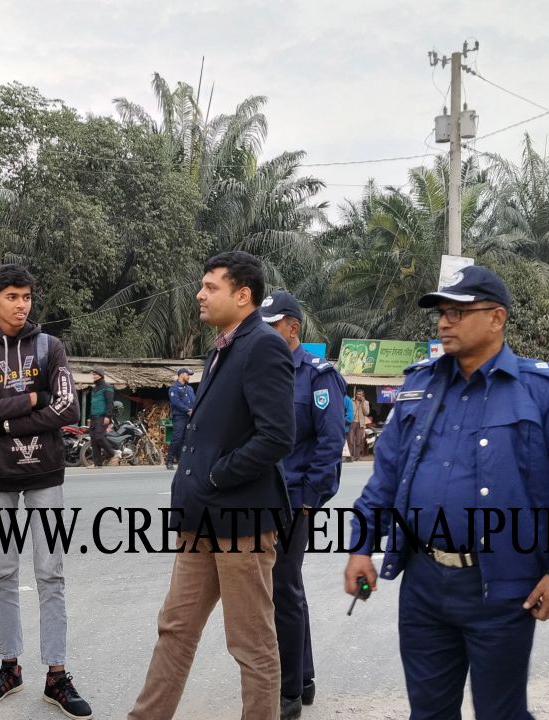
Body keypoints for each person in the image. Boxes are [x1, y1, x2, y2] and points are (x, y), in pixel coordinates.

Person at [344, 265, 549, 719]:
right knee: (427, 712)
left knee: (500, 713)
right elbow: (386, 477)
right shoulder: (418, 385)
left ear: (497, 318)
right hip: (423, 582)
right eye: (442, 313)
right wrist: (361, 546)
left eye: (458, 312)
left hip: (502, 584)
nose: (445, 323)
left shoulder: (543, 391)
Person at [129, 251, 295, 720]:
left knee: (251, 643)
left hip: (243, 518)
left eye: (211, 287)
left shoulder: (263, 345)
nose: (200, 295)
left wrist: (218, 474)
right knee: (175, 628)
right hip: (200, 518)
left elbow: (277, 436)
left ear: (243, 296)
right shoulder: (222, 348)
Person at [0, 264, 91, 719]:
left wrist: (7, 420)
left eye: (27, 296)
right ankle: (9, 668)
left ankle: (57, 675)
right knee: (2, 573)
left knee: (51, 574)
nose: (21, 304)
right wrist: (34, 399)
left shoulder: (51, 348)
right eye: (12, 296)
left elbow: (68, 405)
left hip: (45, 473)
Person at [260, 290, 346, 719]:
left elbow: (330, 443)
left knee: (283, 589)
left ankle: (289, 690)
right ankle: (304, 676)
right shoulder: (265, 371)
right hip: (262, 497)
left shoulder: (317, 376)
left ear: (292, 328)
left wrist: (311, 500)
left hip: (295, 500)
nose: (266, 332)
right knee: (286, 588)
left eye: (272, 325)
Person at [166, 368, 195, 470]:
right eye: (188, 375)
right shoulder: (174, 388)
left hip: (190, 417)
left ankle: (181, 461)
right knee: (177, 439)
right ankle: (169, 460)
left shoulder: (190, 389)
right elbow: (176, 402)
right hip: (179, 417)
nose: (189, 377)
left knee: (186, 439)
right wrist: (187, 410)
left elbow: (194, 401)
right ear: (182, 375)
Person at [87, 369, 115, 467]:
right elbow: (92, 404)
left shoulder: (108, 387)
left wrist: (108, 416)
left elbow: (110, 403)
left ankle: (112, 453)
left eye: (95, 375)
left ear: (101, 376)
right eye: (93, 375)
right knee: (94, 440)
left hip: (103, 417)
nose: (93, 376)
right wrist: (89, 417)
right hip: (94, 417)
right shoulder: (94, 389)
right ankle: (97, 464)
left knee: (99, 437)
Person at [347, 388, 369, 461]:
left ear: (363, 395)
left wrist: (362, 403)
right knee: (350, 440)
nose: (360, 396)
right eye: (358, 394)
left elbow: (366, 413)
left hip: (361, 423)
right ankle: (350, 457)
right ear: (356, 395)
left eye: (361, 394)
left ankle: (357, 457)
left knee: (359, 441)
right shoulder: (351, 401)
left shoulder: (366, 402)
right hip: (352, 422)